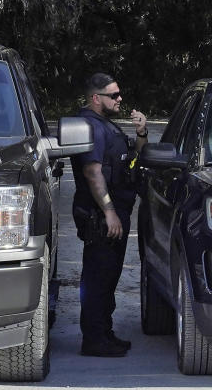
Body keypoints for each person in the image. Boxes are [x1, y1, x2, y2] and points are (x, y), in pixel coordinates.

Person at [70, 72, 148, 357]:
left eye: (119, 93)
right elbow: (92, 173)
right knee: (98, 279)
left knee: (109, 278)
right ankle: (93, 339)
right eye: (113, 95)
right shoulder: (90, 127)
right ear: (96, 98)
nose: (120, 99)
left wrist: (141, 134)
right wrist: (109, 212)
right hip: (101, 218)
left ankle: (104, 333)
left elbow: (132, 163)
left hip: (114, 215)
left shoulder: (106, 125)